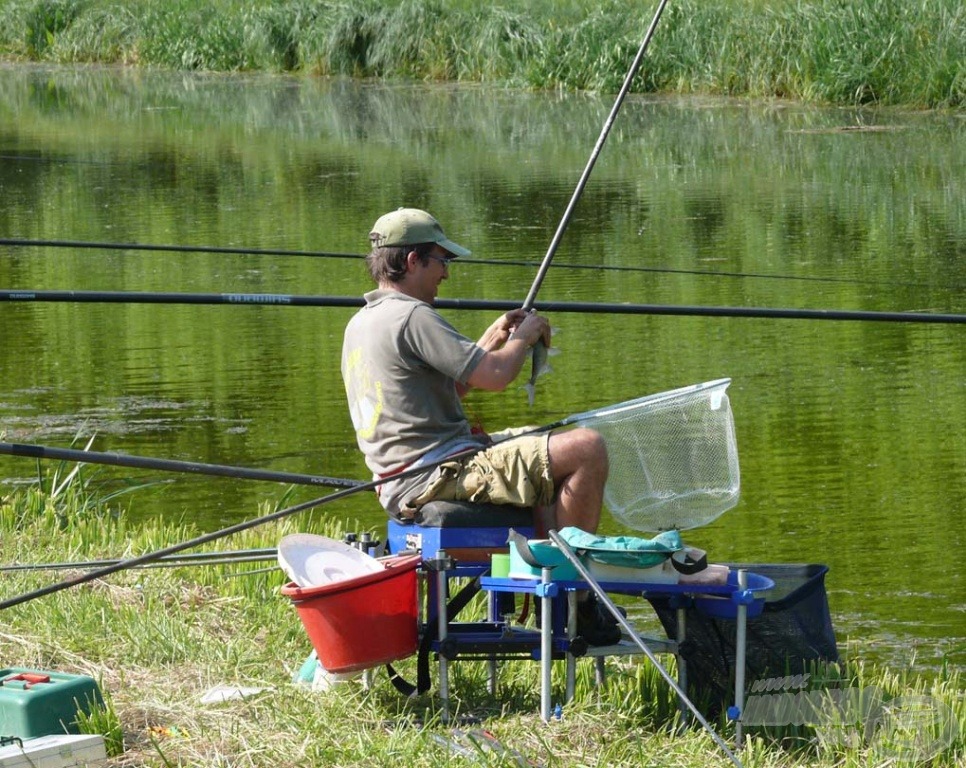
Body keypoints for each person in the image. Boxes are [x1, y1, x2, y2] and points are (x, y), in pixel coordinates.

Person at [341, 207, 619, 644]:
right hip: (436, 474)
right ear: (413, 261)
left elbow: (450, 389)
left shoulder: (363, 322)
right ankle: (575, 602)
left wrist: (493, 338)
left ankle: (555, 591)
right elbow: (494, 377)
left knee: (542, 442)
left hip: (403, 478)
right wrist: (524, 339)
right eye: (441, 261)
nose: (445, 275)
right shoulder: (412, 316)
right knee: (586, 448)